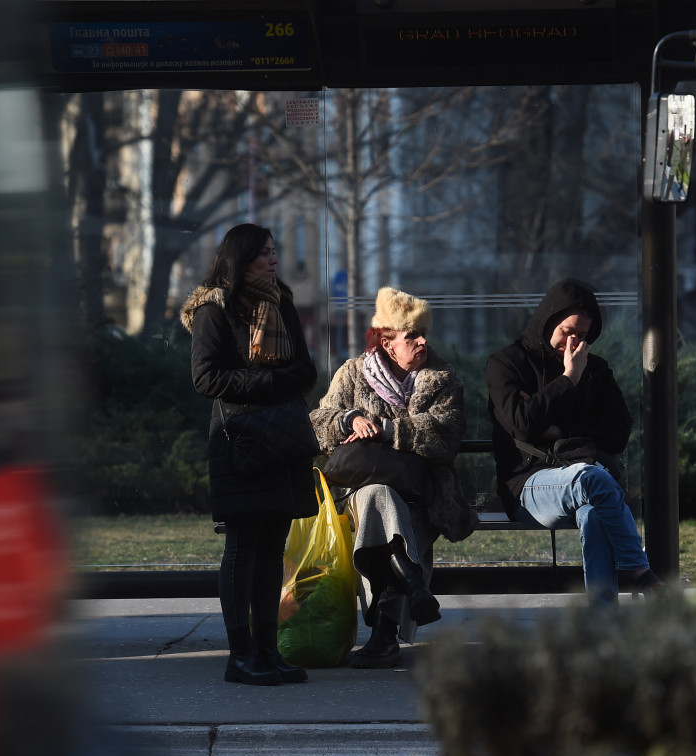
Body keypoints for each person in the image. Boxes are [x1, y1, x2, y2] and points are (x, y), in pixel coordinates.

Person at [181, 223, 318, 686]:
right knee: (242, 549)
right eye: (264, 254)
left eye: (274, 252)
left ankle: (267, 649)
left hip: (280, 442)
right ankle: (240, 656)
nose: (273, 260)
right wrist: (272, 384)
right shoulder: (212, 308)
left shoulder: (280, 299)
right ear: (240, 259)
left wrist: (283, 382)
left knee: (272, 548)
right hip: (239, 439)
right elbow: (206, 379)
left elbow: (306, 369)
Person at [311, 287, 475, 668]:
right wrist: (348, 418)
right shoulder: (352, 373)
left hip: (423, 491)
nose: (422, 341)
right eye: (411, 336)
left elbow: (446, 436)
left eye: (423, 334)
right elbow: (318, 421)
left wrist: (387, 430)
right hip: (360, 490)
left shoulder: (443, 379)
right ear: (386, 342)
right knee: (378, 497)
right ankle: (409, 590)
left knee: (387, 503)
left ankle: (383, 635)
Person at [486, 278, 664, 606]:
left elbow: (619, 431)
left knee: (595, 514)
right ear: (548, 320)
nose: (572, 341)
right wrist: (568, 379)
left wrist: (556, 429)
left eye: (581, 335)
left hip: (586, 484)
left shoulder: (594, 369)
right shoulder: (506, 363)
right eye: (567, 330)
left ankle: (602, 623)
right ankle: (639, 571)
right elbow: (521, 425)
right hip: (528, 485)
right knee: (591, 476)